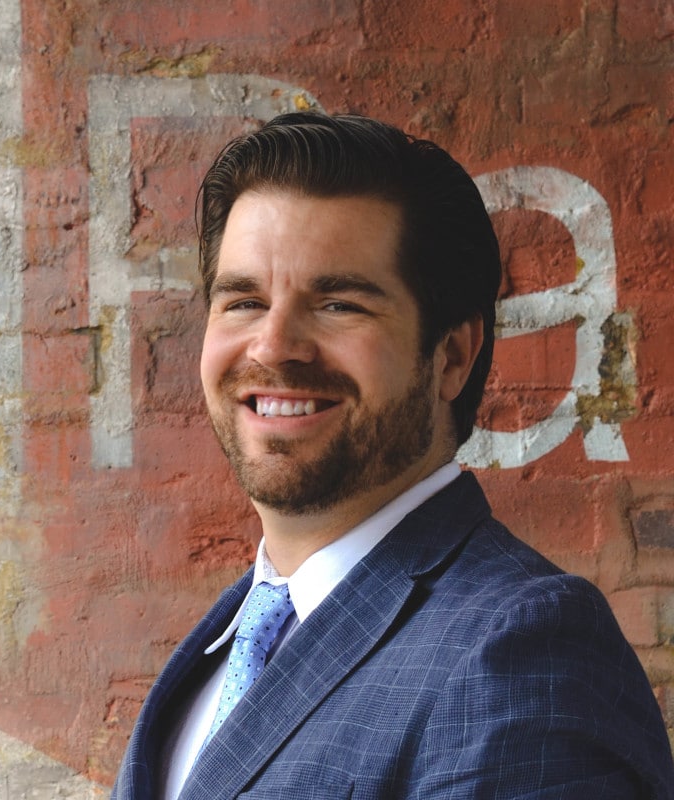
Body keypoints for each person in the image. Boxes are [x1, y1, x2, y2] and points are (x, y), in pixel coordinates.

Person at [112, 112, 674, 799]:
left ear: (451, 357)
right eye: (245, 301)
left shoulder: (526, 652)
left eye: (339, 304)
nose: (274, 345)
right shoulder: (225, 646)